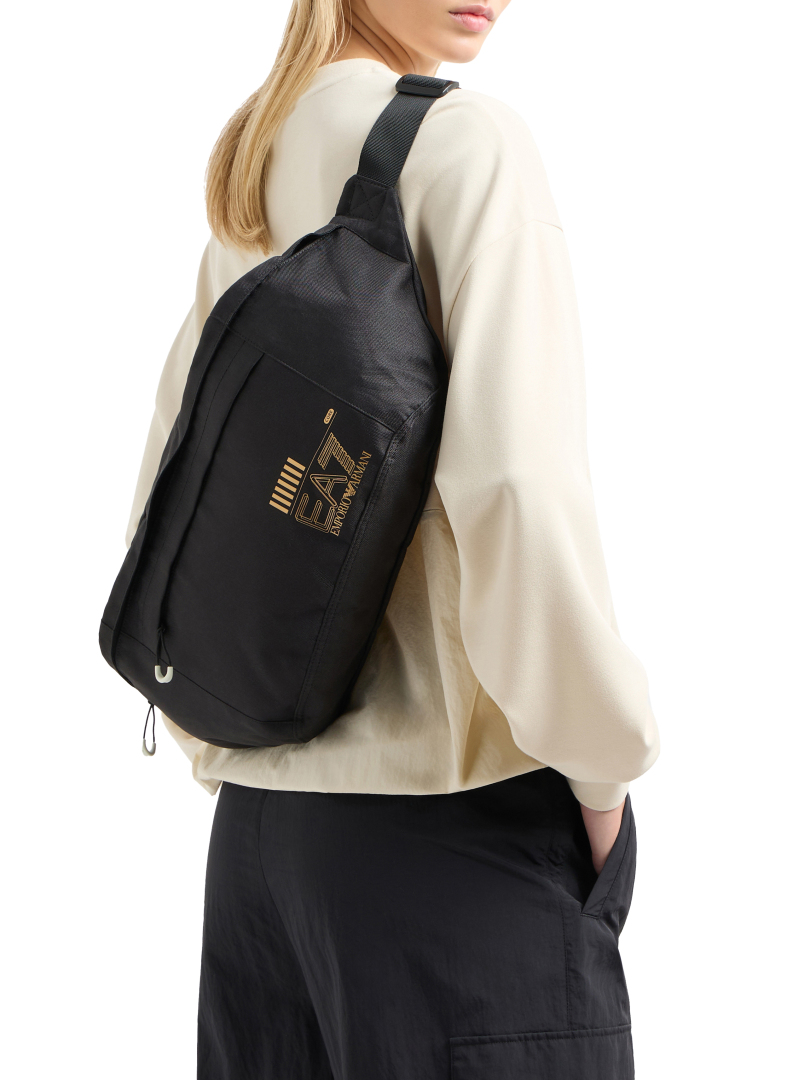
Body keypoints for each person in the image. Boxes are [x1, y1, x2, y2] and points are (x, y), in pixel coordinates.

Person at [124, 2, 660, 1076]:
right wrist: (602, 771)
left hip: (259, 849)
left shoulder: (255, 163)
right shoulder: (465, 144)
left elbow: (171, 488)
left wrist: (225, 749)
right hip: (454, 847)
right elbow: (515, 486)